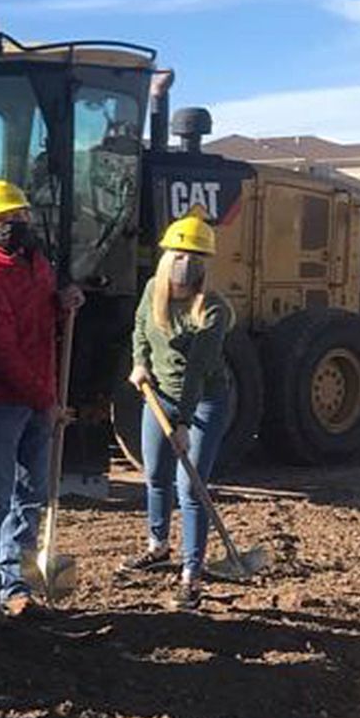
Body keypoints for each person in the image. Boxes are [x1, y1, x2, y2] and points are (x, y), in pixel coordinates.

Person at [0, 178, 82, 623]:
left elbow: (40, 321)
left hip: (37, 396)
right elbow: (4, 355)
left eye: (18, 216)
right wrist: (44, 399)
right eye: (2, 220)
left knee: (30, 496)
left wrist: (62, 301)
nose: (13, 224)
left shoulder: (37, 266)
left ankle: (18, 585)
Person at [126, 209, 234, 609]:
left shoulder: (213, 310)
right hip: (158, 395)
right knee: (154, 474)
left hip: (204, 400)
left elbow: (197, 372)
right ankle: (158, 546)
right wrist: (139, 363)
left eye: (192, 262)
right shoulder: (154, 287)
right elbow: (140, 327)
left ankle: (192, 572)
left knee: (191, 487)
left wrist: (186, 423)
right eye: (177, 260)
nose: (183, 272)